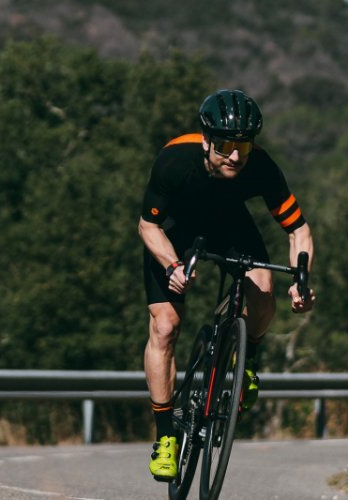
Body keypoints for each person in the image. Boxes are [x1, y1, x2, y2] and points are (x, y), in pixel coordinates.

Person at [138, 89, 314, 481]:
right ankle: (166, 437)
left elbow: (298, 229)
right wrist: (171, 265)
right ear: (206, 140)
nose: (235, 155)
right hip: (176, 235)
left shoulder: (261, 168)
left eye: (244, 146)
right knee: (165, 327)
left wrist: (301, 279)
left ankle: (247, 362)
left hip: (230, 227)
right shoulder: (174, 161)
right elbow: (147, 225)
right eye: (225, 146)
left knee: (264, 292)